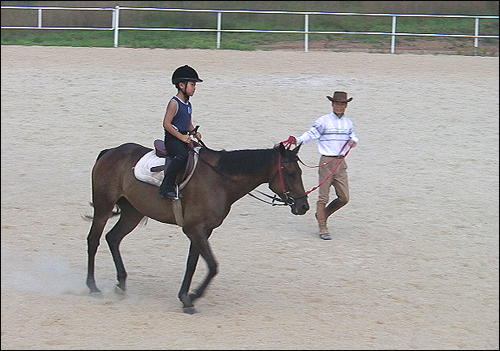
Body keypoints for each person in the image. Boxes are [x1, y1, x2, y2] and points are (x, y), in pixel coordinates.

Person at [286, 91, 358, 240]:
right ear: (332, 104)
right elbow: (311, 134)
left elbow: (352, 136)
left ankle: (322, 214)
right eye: (337, 103)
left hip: (340, 162)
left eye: (342, 104)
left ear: (345, 106)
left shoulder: (348, 123)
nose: (339, 106)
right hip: (326, 162)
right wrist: (297, 140)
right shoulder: (323, 121)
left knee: (344, 198)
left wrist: (353, 140)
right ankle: (322, 227)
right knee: (323, 196)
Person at [158, 65, 203, 199]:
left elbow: (187, 122)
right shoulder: (174, 103)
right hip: (173, 139)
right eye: (192, 84)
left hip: (184, 137)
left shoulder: (188, 104)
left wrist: (193, 132)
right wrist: (181, 137)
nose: (194, 88)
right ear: (182, 85)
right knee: (181, 156)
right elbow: (166, 124)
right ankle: (165, 188)